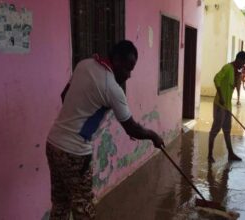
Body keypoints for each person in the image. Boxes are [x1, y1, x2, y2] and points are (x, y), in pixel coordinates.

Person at [46, 40, 164, 219]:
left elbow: (65, 96)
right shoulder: (112, 89)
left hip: (53, 143)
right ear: (116, 60)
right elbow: (131, 129)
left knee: (60, 204)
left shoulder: (84, 64)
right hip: (75, 153)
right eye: (128, 68)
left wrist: (81, 113)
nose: (129, 74)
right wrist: (153, 136)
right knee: (83, 208)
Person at [208, 51, 245, 163]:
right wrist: (220, 96)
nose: (243, 65)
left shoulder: (237, 72)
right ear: (238, 59)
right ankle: (209, 155)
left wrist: (238, 80)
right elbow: (216, 79)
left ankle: (230, 154)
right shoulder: (227, 68)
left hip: (227, 106)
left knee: (227, 130)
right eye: (243, 62)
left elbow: (234, 86)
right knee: (214, 130)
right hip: (219, 105)